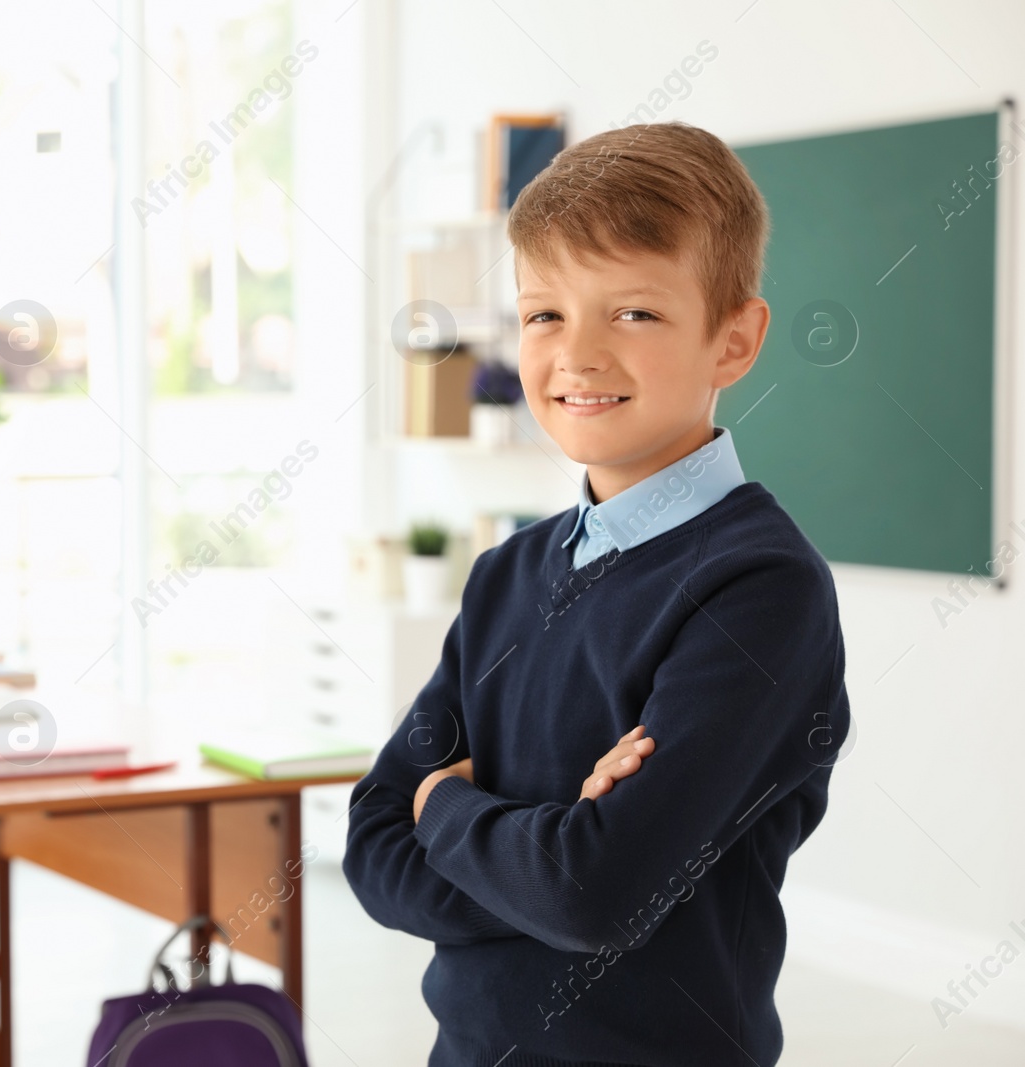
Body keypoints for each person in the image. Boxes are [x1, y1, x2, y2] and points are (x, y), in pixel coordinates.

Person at [342, 121, 851, 1067]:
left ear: (733, 339)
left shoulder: (760, 588)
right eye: (544, 314)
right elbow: (373, 846)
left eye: (634, 314)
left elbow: (591, 896)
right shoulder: (508, 572)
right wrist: (550, 845)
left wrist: (445, 812)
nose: (576, 356)